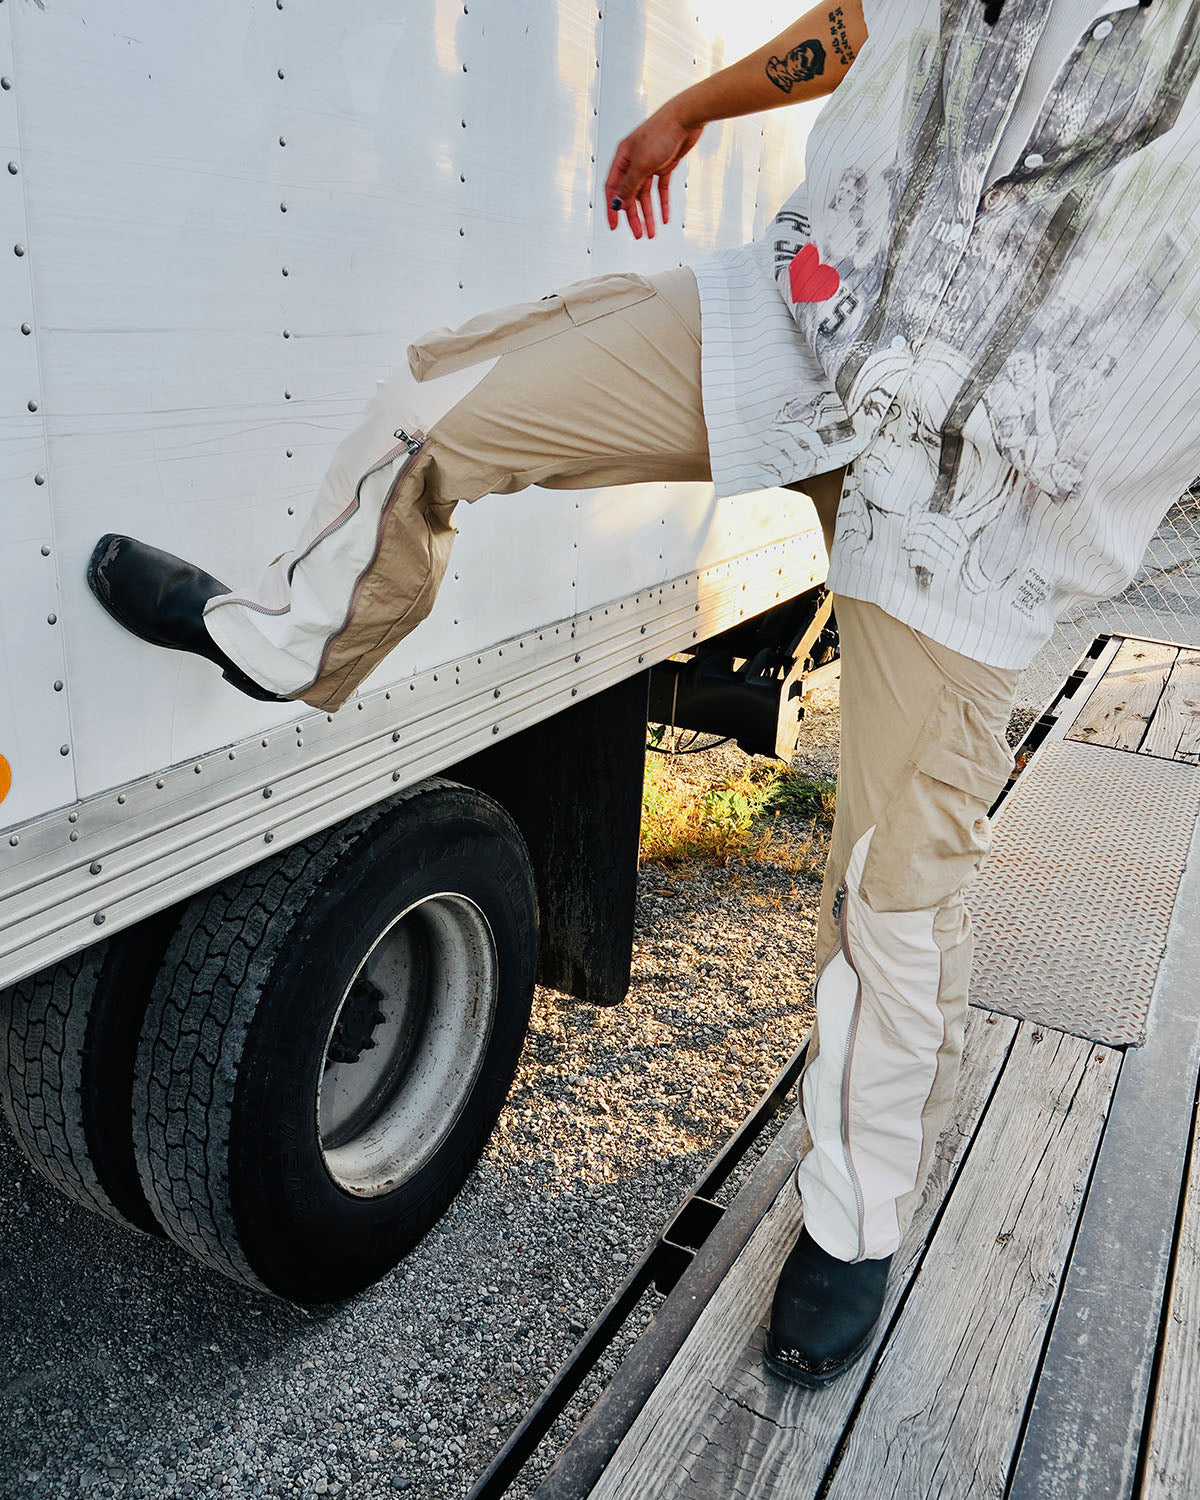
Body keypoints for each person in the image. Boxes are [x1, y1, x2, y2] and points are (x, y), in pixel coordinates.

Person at [88, 0, 1190, 1388]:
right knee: (446, 401)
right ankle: (294, 641)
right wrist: (692, 107)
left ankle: (855, 1225)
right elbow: (860, 24)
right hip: (810, 320)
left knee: (891, 897)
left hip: (996, 484)